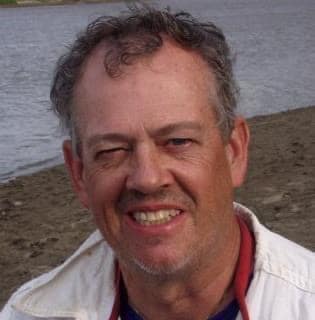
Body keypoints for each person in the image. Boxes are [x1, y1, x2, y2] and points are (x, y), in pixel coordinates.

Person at [1, 6, 314, 320]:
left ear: (234, 151)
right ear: (79, 173)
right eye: (112, 150)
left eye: (177, 142)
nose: (147, 178)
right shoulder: (27, 314)